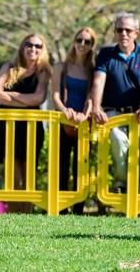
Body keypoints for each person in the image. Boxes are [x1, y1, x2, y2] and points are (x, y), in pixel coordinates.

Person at [0, 33, 52, 212]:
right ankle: (13, 212)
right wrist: (24, 100)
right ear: (22, 47)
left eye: (38, 46)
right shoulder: (9, 67)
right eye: (29, 44)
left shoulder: (43, 71)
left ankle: (26, 212)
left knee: (28, 174)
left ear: (42, 50)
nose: (33, 49)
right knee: (11, 173)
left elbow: (38, 99)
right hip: (7, 126)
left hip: (30, 127)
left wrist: (9, 96)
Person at [91, 13, 140, 193]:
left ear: (136, 33)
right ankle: (123, 184)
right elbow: (98, 81)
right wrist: (95, 106)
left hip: (138, 114)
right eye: (119, 30)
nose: (123, 33)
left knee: (137, 154)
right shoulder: (106, 54)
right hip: (113, 112)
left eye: (128, 30)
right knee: (117, 139)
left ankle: (131, 192)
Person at [51, 27, 97, 214]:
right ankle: (61, 207)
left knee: (80, 166)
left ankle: (78, 208)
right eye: (79, 40)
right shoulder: (61, 67)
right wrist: (65, 111)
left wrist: (84, 116)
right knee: (61, 165)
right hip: (63, 121)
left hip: (83, 124)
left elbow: (92, 97)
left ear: (92, 45)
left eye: (87, 42)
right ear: (74, 41)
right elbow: (54, 94)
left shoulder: (92, 70)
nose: (82, 44)